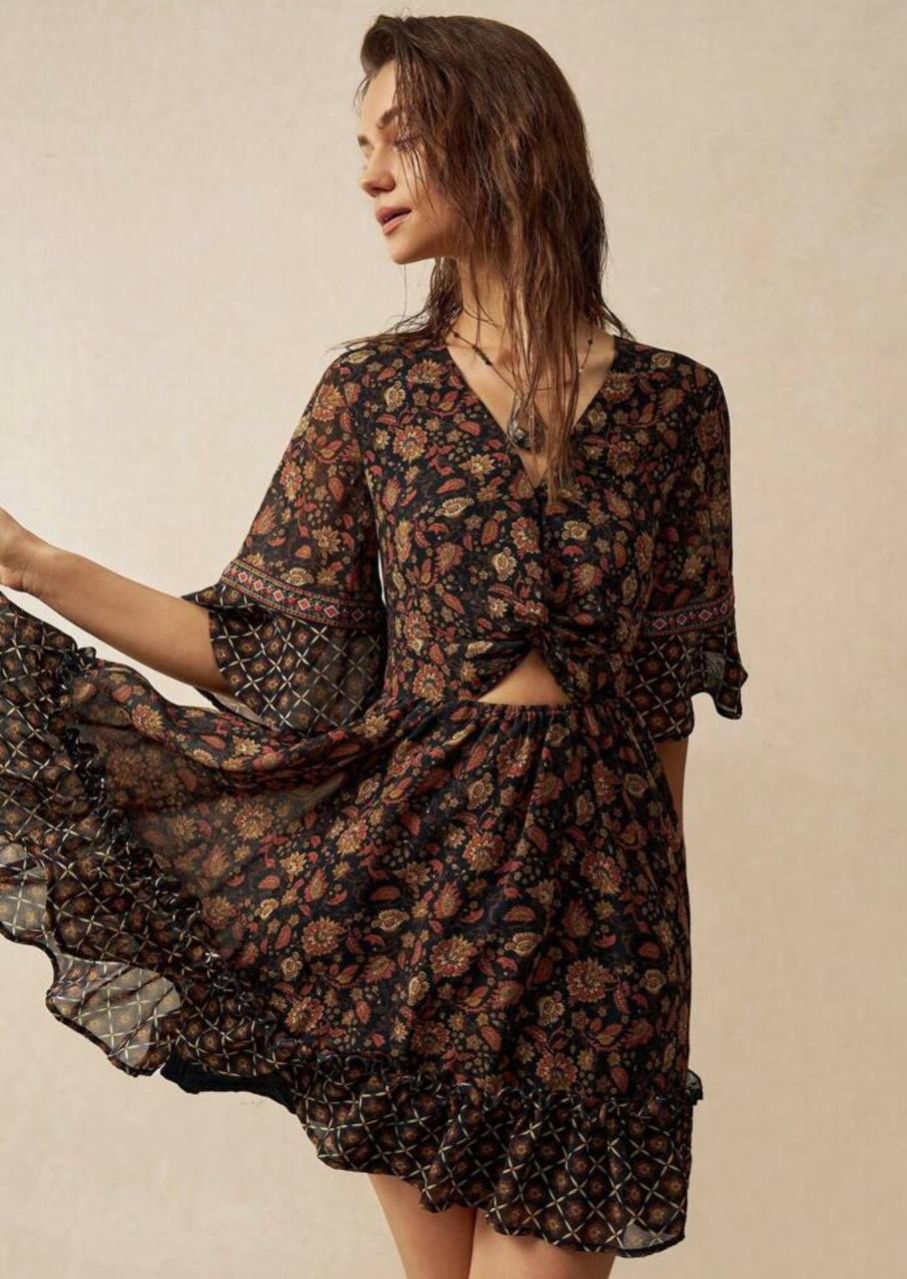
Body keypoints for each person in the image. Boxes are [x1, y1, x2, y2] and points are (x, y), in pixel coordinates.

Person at [0, 13, 748, 1278]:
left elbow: (664, 699)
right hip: (413, 893)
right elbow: (265, 655)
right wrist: (29, 561)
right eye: (361, 145)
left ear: (502, 138)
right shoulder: (375, 394)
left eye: (398, 139)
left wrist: (652, 943)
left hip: (599, 915)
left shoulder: (677, 404)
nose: (368, 175)